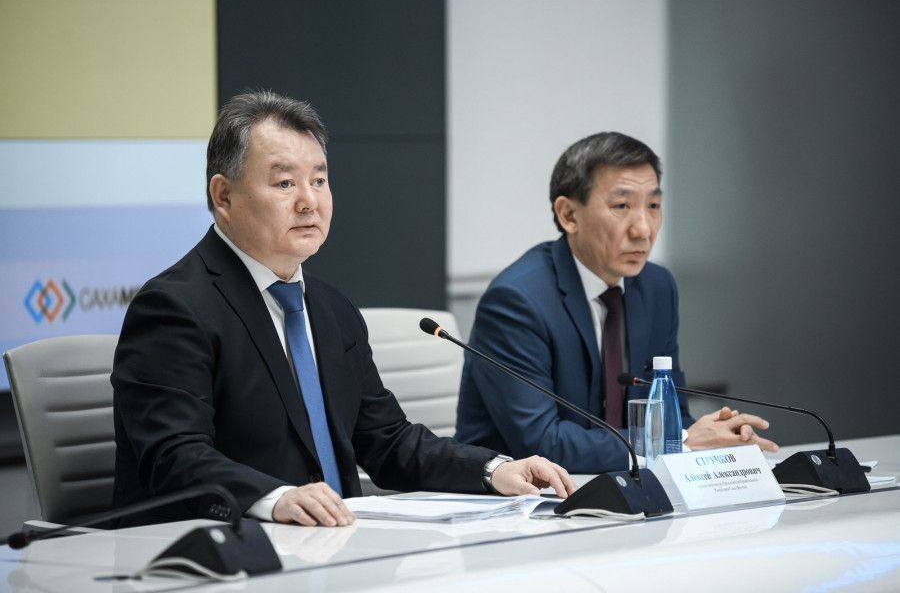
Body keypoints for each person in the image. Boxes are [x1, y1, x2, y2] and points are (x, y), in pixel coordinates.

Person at [112, 91, 574, 527]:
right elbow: (173, 455)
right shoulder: (175, 308)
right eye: (285, 183)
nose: (309, 201)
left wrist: (492, 469)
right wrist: (275, 498)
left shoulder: (330, 308)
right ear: (223, 196)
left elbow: (386, 440)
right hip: (222, 554)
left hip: (339, 543)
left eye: (319, 180)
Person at [455, 132, 777, 473]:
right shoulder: (517, 301)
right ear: (568, 215)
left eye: (653, 206)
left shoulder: (656, 287)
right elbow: (543, 441)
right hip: (520, 496)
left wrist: (717, 435)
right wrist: (682, 441)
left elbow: (670, 413)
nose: (643, 230)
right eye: (622, 206)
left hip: (624, 485)